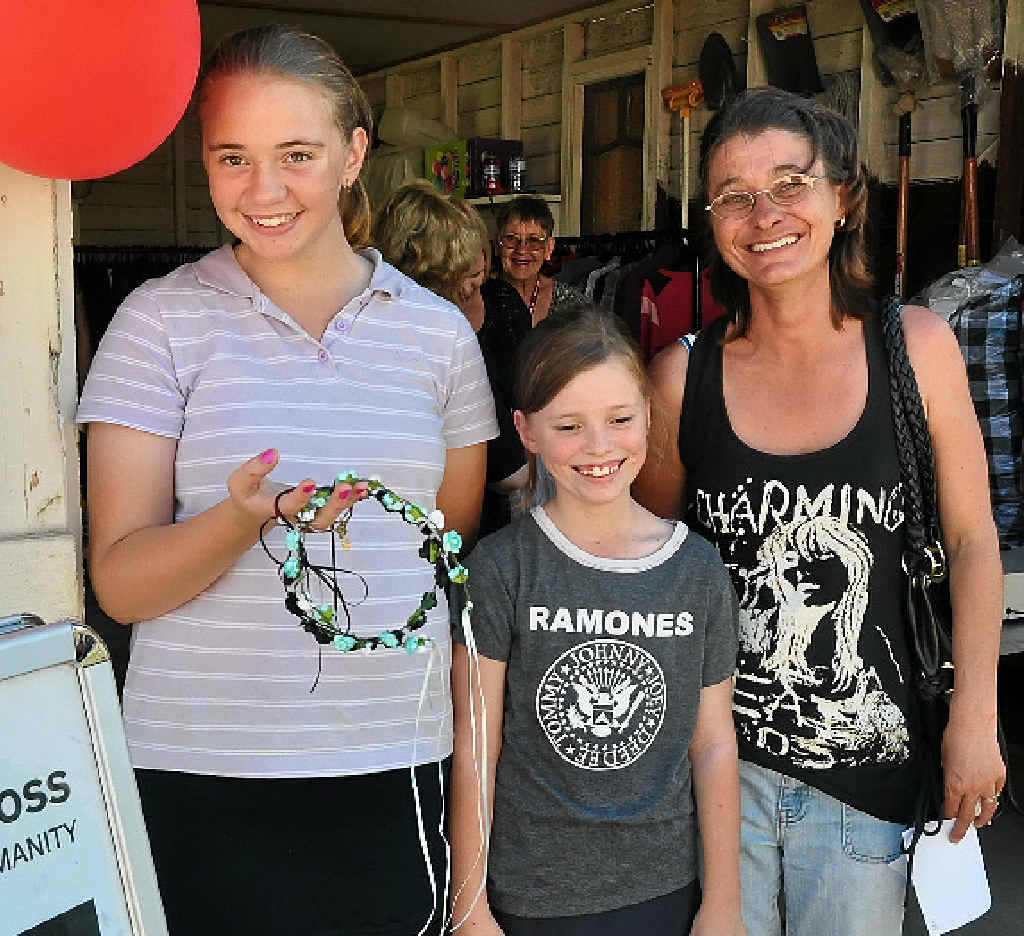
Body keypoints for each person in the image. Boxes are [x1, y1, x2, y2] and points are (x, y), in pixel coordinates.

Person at [76, 25, 497, 936]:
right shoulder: (159, 324)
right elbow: (120, 580)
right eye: (233, 158)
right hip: (202, 767)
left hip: (392, 756)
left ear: (354, 155)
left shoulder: (437, 335)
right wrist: (238, 522)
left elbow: (448, 535)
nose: (263, 192)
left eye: (296, 155)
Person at [633, 87, 1005, 935]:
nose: (764, 214)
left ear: (843, 198)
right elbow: (645, 570)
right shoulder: (681, 380)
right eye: (735, 195)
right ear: (714, 219)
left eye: (791, 184)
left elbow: (974, 538)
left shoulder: (916, 349)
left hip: (868, 781)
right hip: (716, 774)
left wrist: (976, 718)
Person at [450, 306, 746, 936]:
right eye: (569, 425)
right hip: (530, 894)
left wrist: (724, 904)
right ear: (526, 431)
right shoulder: (501, 569)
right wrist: (469, 905)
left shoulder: (695, 570)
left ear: (648, 411)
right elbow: (478, 745)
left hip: (665, 886)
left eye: (619, 419)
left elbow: (715, 742)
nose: (599, 447)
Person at [374, 180, 531, 534]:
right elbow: (510, 471)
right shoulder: (435, 334)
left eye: (478, 272)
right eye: (466, 275)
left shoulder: (500, 307)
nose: (474, 284)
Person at [495, 195, 584, 326]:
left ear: (549, 248)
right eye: (511, 238)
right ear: (498, 245)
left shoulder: (571, 304)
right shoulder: (478, 298)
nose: (522, 250)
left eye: (534, 240)